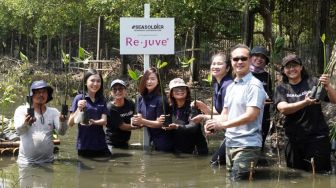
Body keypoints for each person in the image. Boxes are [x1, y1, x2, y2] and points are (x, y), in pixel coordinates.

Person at [200, 44, 267, 180]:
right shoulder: (231, 87)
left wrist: (222, 126)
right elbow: (225, 115)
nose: (239, 62)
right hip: (230, 143)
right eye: (236, 59)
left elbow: (251, 115)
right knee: (231, 182)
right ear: (231, 62)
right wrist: (212, 124)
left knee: (238, 182)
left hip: (248, 144)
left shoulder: (254, 85)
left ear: (250, 60)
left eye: (243, 58)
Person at [274, 54, 336, 172]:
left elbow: (334, 100)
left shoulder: (313, 82)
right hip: (293, 140)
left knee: (319, 175)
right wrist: (305, 102)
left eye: (295, 65)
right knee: (294, 175)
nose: (292, 69)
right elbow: (283, 109)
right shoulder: (281, 88)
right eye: (288, 67)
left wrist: (328, 85)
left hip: (317, 138)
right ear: (284, 70)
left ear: (301, 67)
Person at [14, 80, 68, 164]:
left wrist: (63, 121)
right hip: (26, 163)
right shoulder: (22, 110)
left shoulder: (53, 112)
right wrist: (26, 123)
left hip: (48, 162)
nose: (41, 95)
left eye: (44, 92)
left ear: (47, 95)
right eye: (38, 92)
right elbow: (19, 131)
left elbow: (62, 132)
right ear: (32, 95)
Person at [194, 52, 233, 165]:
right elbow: (218, 111)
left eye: (219, 64)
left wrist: (203, 117)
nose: (215, 66)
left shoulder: (228, 85)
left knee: (215, 162)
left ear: (228, 68)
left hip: (236, 132)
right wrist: (203, 106)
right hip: (228, 131)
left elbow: (227, 116)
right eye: (213, 63)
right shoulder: (217, 84)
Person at [68, 69, 110, 157]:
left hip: (101, 145)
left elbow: (104, 121)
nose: (95, 84)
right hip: (84, 145)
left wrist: (93, 122)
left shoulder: (102, 99)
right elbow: (70, 123)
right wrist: (78, 109)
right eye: (92, 80)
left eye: (98, 81)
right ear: (85, 82)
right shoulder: (79, 98)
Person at [131, 67, 173, 152]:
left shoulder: (161, 99)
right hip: (150, 139)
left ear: (158, 82)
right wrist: (134, 121)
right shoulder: (140, 97)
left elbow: (160, 124)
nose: (149, 81)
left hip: (163, 140)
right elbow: (139, 117)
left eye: (153, 79)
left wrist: (142, 121)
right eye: (146, 79)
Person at [163, 78, 208, 155]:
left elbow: (193, 126)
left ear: (187, 91)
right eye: (176, 89)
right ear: (172, 93)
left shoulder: (193, 107)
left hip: (196, 151)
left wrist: (177, 126)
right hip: (178, 150)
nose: (180, 90)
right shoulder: (169, 108)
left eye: (183, 88)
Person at [250, 46, 273, 151]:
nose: (259, 59)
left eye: (263, 57)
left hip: (264, 116)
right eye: (256, 55)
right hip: (247, 115)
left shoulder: (267, 76)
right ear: (250, 58)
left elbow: (270, 94)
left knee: (260, 146)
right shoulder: (244, 74)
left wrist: (270, 100)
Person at [106, 79, 138, 149]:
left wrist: (139, 121)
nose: (118, 91)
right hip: (111, 144)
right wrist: (141, 125)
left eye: (120, 89)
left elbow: (135, 117)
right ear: (111, 92)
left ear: (125, 91)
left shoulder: (130, 103)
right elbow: (123, 127)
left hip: (125, 142)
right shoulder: (110, 108)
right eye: (114, 89)